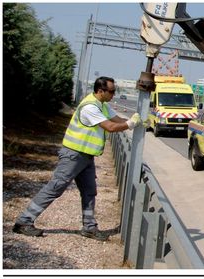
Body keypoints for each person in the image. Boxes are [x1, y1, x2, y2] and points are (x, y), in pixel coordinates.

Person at [12, 76, 142, 241]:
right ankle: (24, 221)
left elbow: (117, 120)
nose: (114, 94)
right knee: (55, 187)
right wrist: (130, 124)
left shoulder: (102, 105)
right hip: (73, 155)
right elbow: (110, 127)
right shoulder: (90, 107)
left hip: (86, 156)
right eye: (111, 91)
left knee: (89, 191)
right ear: (100, 91)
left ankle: (89, 227)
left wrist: (136, 122)